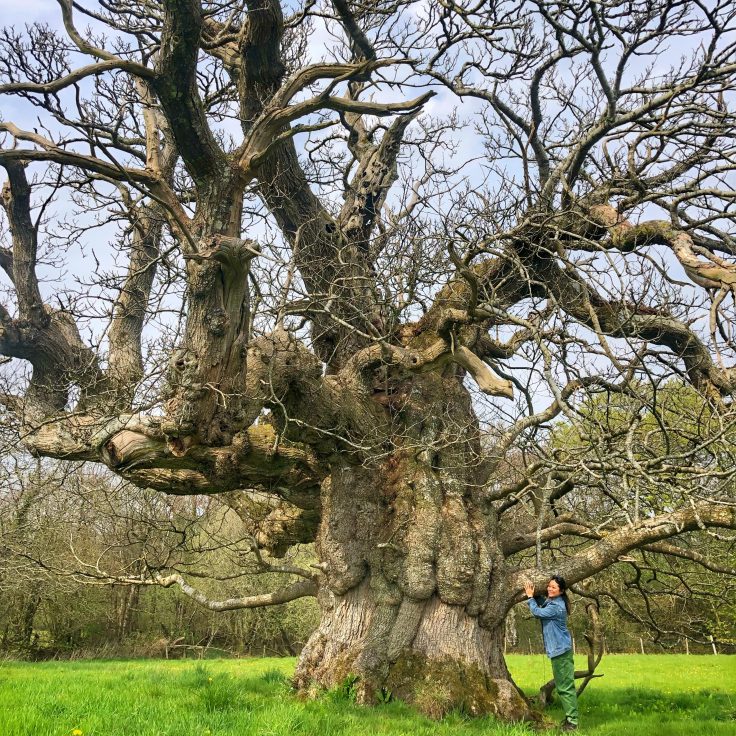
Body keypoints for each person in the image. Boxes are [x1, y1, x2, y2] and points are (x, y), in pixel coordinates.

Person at [523, 576, 579, 732]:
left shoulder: (556, 607)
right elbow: (543, 603)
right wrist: (537, 596)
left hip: (561, 652)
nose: (549, 589)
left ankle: (572, 723)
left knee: (565, 687)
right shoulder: (553, 602)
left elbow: (537, 612)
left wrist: (529, 596)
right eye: (549, 586)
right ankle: (570, 719)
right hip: (559, 651)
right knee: (563, 686)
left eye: (553, 587)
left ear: (561, 591)